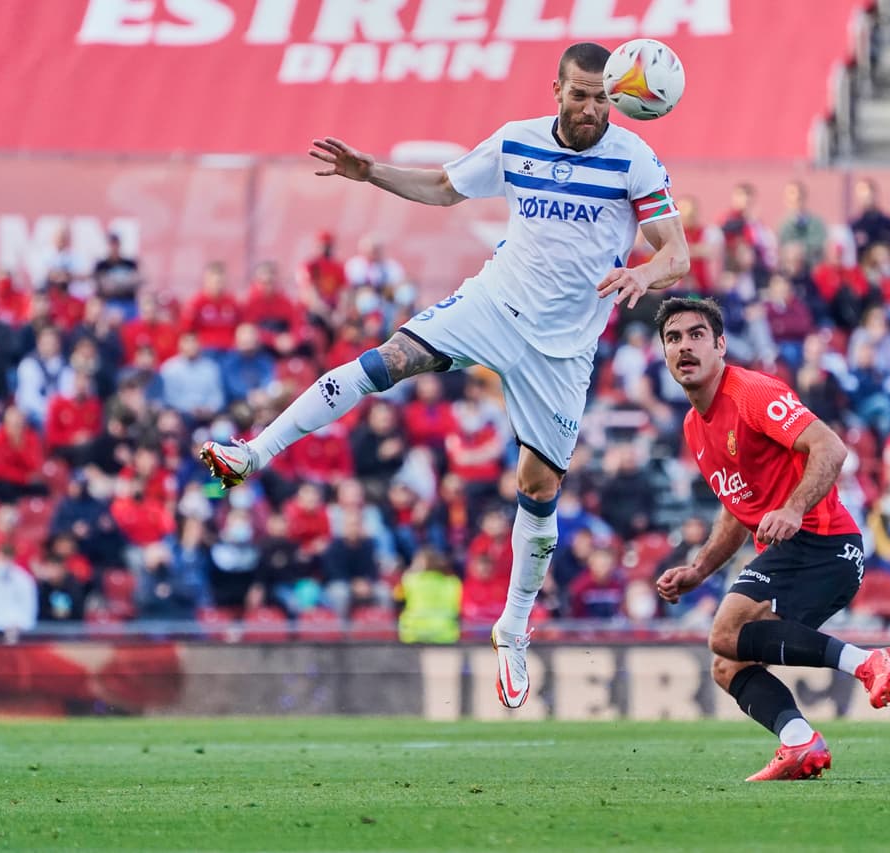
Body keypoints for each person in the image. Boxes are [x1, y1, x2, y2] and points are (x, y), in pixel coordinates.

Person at [199, 43, 690, 709]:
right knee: (386, 361)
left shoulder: (633, 159)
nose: (591, 109)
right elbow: (443, 187)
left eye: (601, 97)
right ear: (557, 91)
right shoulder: (517, 143)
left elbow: (677, 253)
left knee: (539, 489)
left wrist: (642, 272)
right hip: (494, 304)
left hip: (563, 350)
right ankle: (250, 452)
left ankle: (513, 629)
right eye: (579, 95)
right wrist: (369, 171)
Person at [652, 296, 890, 782]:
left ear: (721, 344)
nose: (685, 346)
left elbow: (830, 446)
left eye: (696, 335)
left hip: (822, 541)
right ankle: (799, 743)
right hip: (803, 551)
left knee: (723, 634)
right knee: (726, 665)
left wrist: (792, 507)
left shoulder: (750, 393)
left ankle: (868, 661)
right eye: (673, 338)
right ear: (664, 353)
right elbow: (736, 506)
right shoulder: (692, 425)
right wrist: (699, 570)